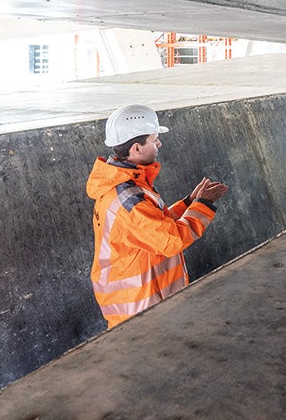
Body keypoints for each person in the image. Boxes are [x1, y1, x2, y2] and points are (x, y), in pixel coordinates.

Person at [86, 103, 228, 328]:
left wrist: (189, 204)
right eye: (153, 139)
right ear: (137, 148)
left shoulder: (127, 187)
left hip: (142, 306)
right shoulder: (129, 199)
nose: (159, 143)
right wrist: (203, 205)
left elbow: (152, 227)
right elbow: (170, 240)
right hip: (137, 313)